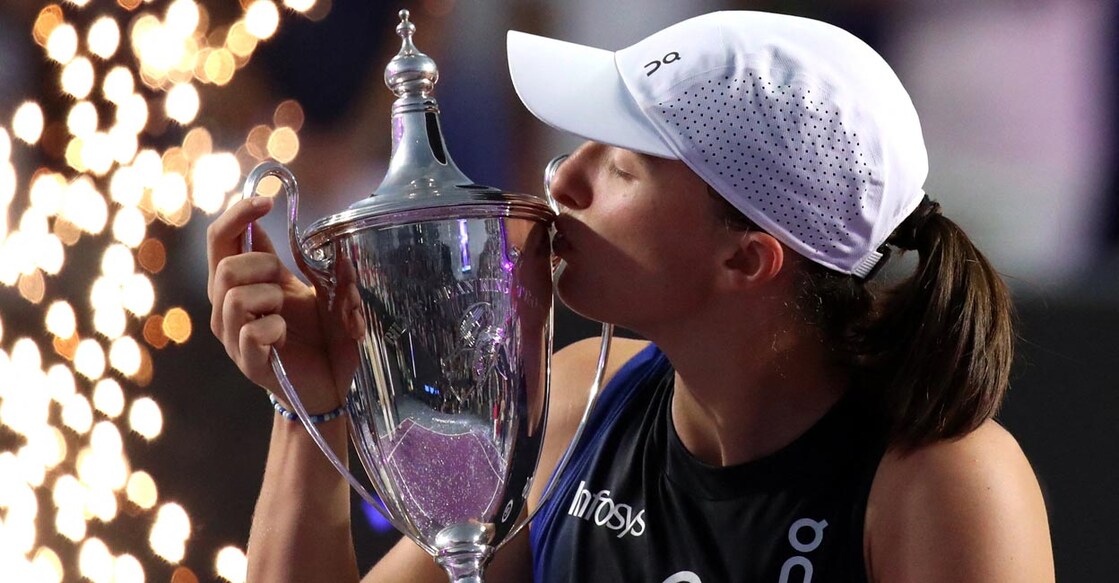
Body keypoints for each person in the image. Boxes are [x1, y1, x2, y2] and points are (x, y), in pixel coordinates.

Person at [206, 11, 1054, 583]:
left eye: (619, 167)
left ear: (747, 259)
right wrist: (311, 402)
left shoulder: (945, 485)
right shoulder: (580, 399)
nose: (558, 178)